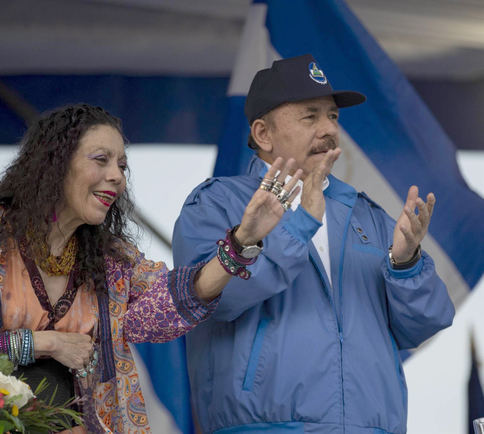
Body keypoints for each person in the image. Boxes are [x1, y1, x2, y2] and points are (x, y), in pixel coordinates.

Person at [0, 103, 301, 433]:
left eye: (121, 164)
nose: (117, 175)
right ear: (55, 163)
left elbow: (174, 302)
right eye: (100, 160)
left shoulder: (111, 259)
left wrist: (241, 241)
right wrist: (43, 343)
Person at [172, 54, 455, 434]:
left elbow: (426, 323)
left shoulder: (365, 214)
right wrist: (301, 221)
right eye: (310, 116)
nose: (329, 129)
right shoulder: (215, 204)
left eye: (333, 117)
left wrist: (406, 265)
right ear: (263, 134)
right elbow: (213, 301)